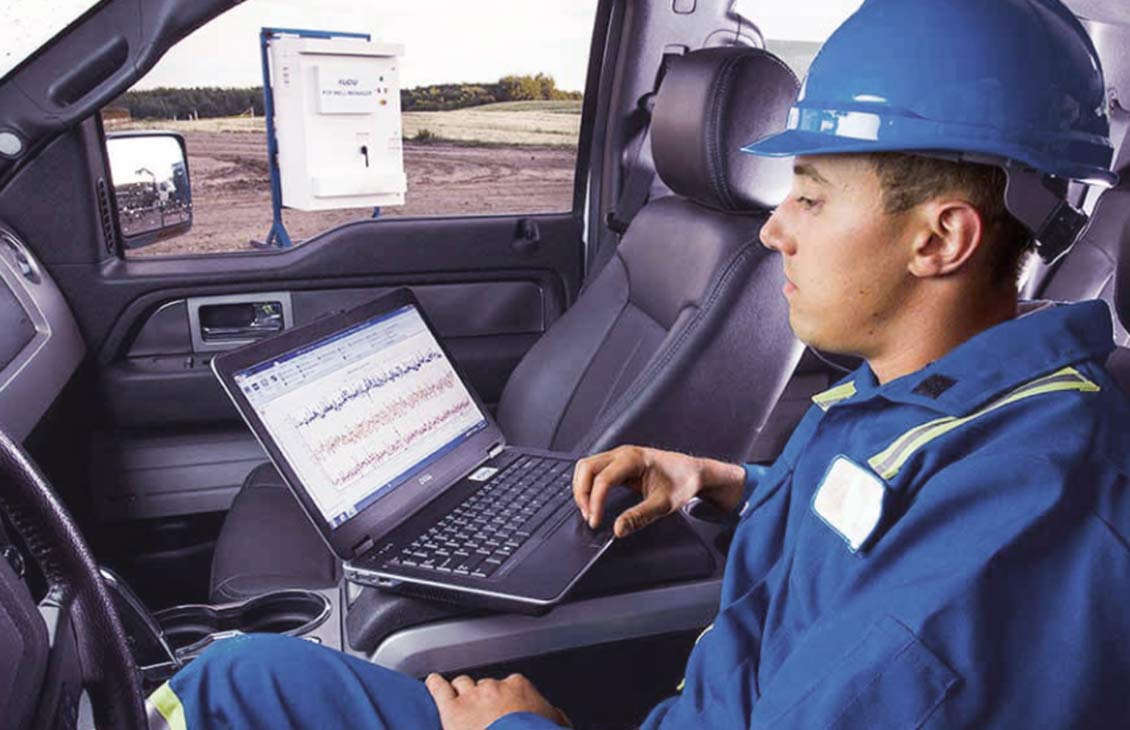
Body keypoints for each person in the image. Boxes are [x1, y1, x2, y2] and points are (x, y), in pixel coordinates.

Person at [145, 0, 1130, 727]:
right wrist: (722, 481)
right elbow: (865, 515)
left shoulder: (1018, 536)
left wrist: (517, 725)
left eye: (812, 196)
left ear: (939, 239)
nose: (775, 228)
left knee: (233, 692)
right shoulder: (944, 400)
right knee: (240, 677)